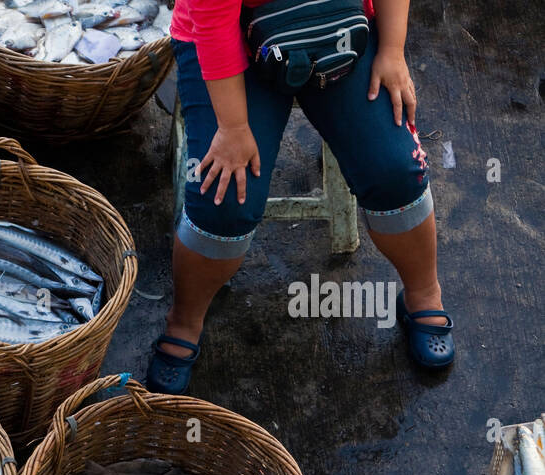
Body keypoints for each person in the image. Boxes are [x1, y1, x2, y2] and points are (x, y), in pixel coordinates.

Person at [147, 0, 453, 394]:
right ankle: (184, 320)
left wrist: (392, 51)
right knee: (223, 201)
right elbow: (214, 17)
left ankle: (424, 292)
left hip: (336, 19)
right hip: (228, 39)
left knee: (396, 170)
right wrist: (234, 126)